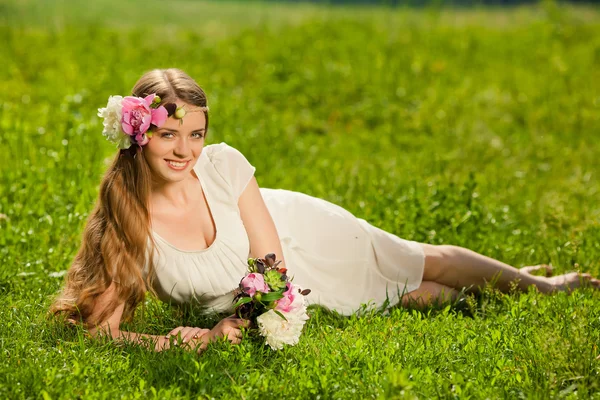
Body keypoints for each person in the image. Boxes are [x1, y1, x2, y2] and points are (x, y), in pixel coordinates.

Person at [50, 68, 599, 352]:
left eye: (194, 133)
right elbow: (102, 330)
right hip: (277, 292)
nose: (183, 150)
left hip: (293, 243)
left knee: (418, 259)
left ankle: (550, 289)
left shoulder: (220, 166)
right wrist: (170, 341)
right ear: (137, 137)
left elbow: (272, 264)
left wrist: (235, 323)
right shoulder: (127, 217)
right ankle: (509, 288)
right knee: (400, 295)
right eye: (167, 134)